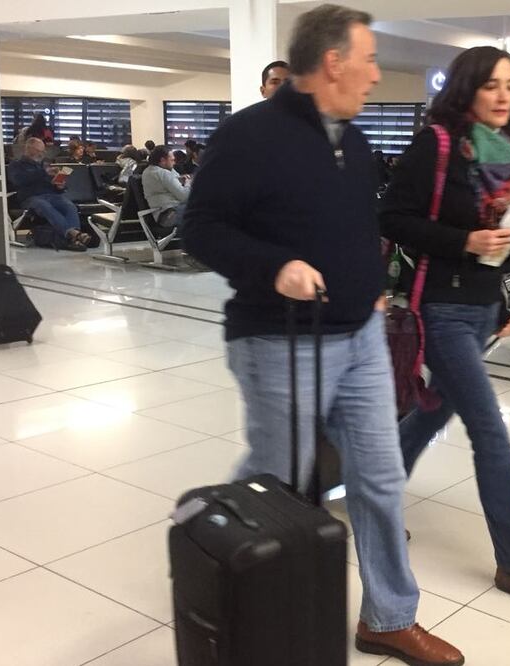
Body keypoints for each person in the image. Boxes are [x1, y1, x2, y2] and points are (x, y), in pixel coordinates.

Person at [181, 6, 463, 665]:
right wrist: (274, 267)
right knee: (275, 480)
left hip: (360, 334)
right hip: (280, 339)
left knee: (380, 477)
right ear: (332, 61)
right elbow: (201, 227)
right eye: (367, 60)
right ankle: (216, 550)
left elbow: (350, 225)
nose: (374, 74)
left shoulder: (354, 140)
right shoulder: (250, 135)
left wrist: (371, 281)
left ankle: (390, 618)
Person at [381, 44, 510, 617]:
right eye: (492, 85)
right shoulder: (436, 142)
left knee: (434, 410)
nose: (503, 96)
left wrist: (500, 296)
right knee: (490, 431)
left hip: (480, 304)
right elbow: (391, 217)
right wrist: (463, 241)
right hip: (439, 307)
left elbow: (493, 234)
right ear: (467, 87)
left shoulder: (501, 154)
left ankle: (373, 491)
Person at [7, 138, 90, 251]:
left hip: (51, 195)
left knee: (69, 205)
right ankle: (74, 234)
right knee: (44, 205)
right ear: (29, 149)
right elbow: (19, 180)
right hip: (30, 197)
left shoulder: (44, 165)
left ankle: (72, 239)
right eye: (39, 150)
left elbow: (53, 186)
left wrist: (59, 186)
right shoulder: (16, 165)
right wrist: (43, 172)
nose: (42, 153)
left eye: (43, 151)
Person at [142, 145, 191, 231]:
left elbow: (169, 182)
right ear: (163, 160)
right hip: (169, 215)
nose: (174, 163)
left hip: (167, 213)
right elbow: (185, 197)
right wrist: (188, 183)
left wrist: (178, 180)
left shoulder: (150, 171)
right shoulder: (162, 173)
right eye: (172, 160)